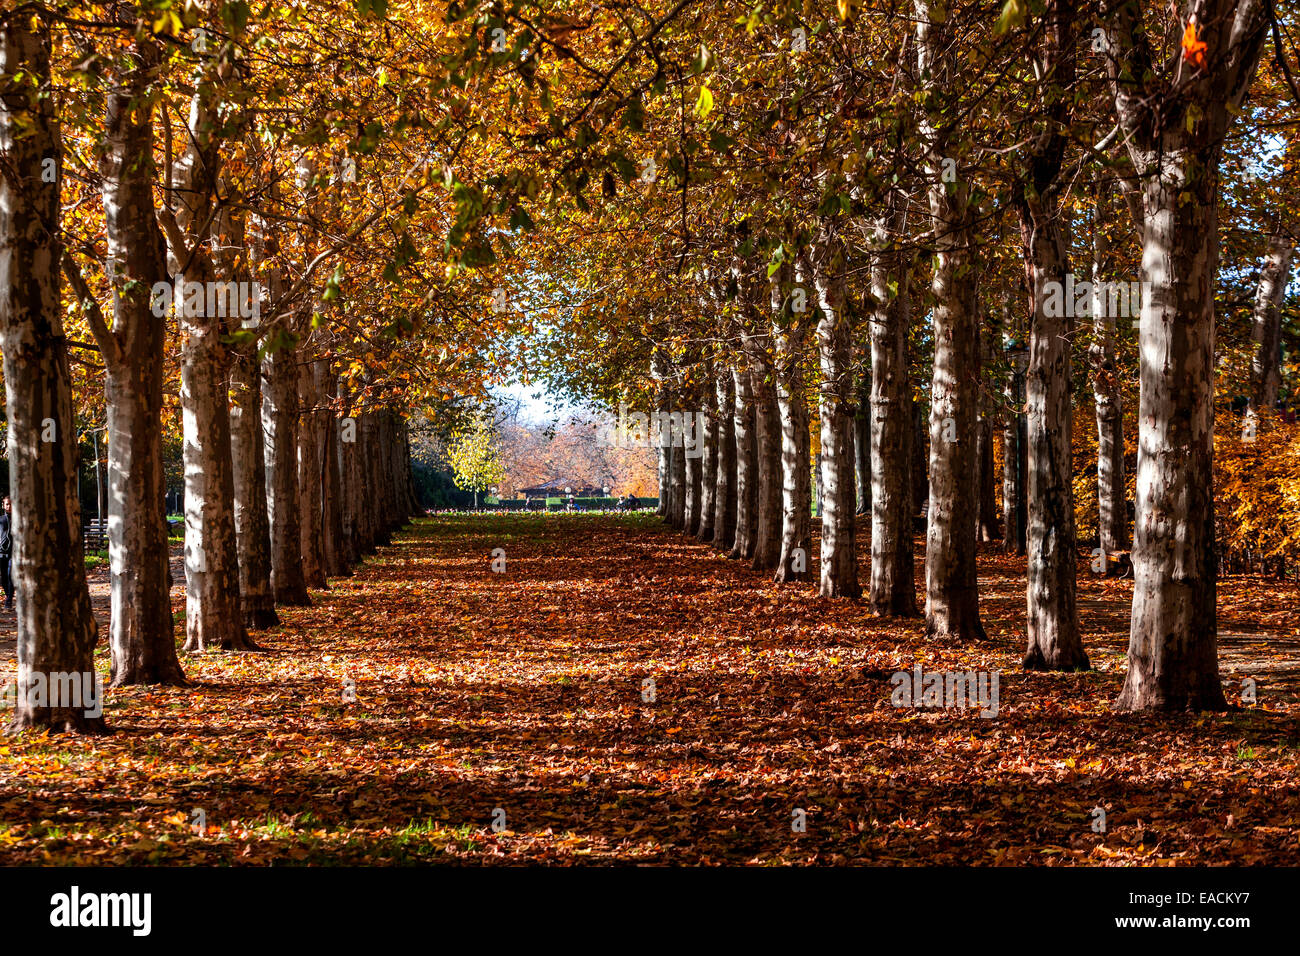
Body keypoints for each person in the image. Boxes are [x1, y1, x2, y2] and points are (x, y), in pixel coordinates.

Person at [1, 495, 12, 611]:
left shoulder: (18, 519)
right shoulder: (1, 519)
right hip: (1, 551)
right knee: (4, 578)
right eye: (7, 504)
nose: (9, 506)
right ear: (3, 505)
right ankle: (8, 594)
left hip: (13, 552)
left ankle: (8, 601)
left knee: (10, 575)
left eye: (11, 504)